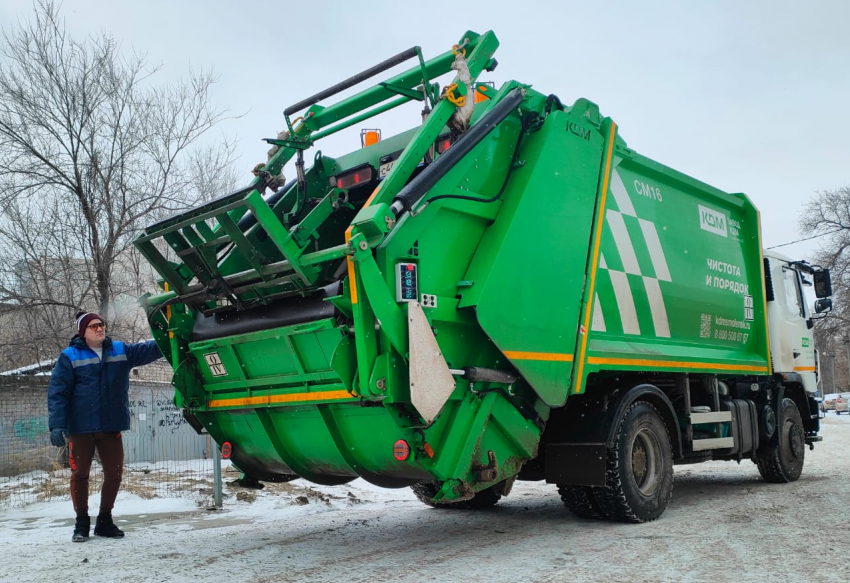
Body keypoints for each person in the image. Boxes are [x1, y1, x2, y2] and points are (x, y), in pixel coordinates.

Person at [48, 312, 163, 542]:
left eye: (102, 324)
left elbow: (150, 349)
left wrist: (167, 335)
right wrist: (57, 424)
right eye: (94, 326)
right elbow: (58, 392)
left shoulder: (120, 350)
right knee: (80, 475)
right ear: (83, 331)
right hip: (80, 428)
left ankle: (104, 521)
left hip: (110, 426)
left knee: (114, 474)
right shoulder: (69, 356)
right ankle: (81, 524)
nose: (100, 329)